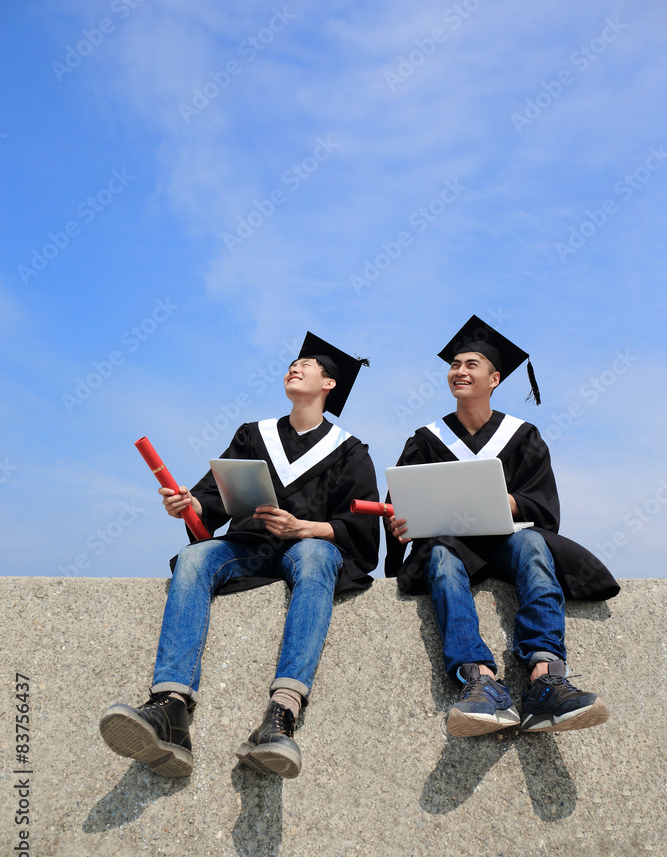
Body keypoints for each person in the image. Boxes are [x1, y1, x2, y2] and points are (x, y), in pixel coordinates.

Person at [100, 333, 379, 778]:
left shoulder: (349, 450)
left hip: (303, 549)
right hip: (247, 547)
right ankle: (170, 706)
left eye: (307, 364)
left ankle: (282, 712)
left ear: (329, 384)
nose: (295, 366)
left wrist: (302, 527)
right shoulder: (254, 435)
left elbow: (360, 527)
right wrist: (186, 505)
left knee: (317, 556)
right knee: (194, 558)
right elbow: (210, 501)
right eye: (293, 361)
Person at [386, 315, 619, 737]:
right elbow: (399, 504)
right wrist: (401, 522)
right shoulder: (426, 438)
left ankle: (546, 677)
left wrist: (499, 501)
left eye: (471, 364)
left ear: (494, 378)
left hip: (509, 541)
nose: (459, 371)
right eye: (455, 365)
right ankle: (480, 680)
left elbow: (543, 506)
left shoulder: (522, 435)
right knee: (437, 555)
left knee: (532, 542)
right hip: (453, 547)